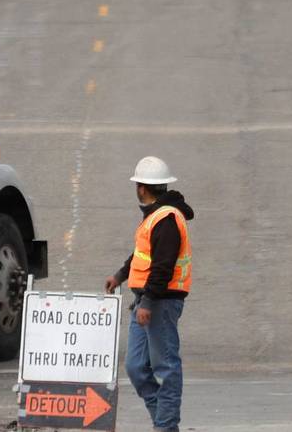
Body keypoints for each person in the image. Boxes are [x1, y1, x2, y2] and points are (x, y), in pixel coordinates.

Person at [104, 156, 195, 432]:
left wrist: (148, 302)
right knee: (135, 367)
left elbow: (163, 267)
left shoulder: (167, 219)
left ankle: (166, 427)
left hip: (160, 303)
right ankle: (164, 422)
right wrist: (120, 275)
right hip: (146, 301)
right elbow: (143, 255)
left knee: (165, 368)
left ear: (142, 187)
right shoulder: (156, 215)